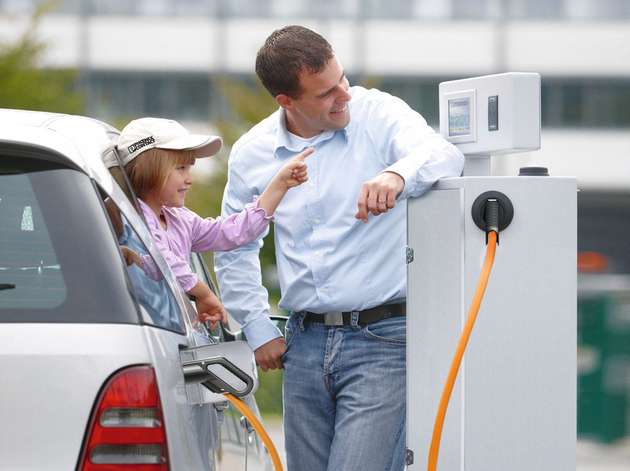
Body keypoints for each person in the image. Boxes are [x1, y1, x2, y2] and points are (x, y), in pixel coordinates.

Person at [214, 26, 464, 471]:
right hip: (302, 343)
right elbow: (235, 244)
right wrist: (256, 326)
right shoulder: (252, 153)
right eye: (326, 93)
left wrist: (397, 176)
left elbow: (441, 153)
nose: (343, 96)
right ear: (286, 102)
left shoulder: (378, 113)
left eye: (342, 79)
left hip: (383, 341)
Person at [107, 117, 313, 326]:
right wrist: (203, 294)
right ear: (149, 168)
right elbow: (163, 259)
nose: (190, 179)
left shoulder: (179, 219)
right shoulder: (132, 218)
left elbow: (230, 232)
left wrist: (278, 186)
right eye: (180, 168)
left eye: (190, 168)